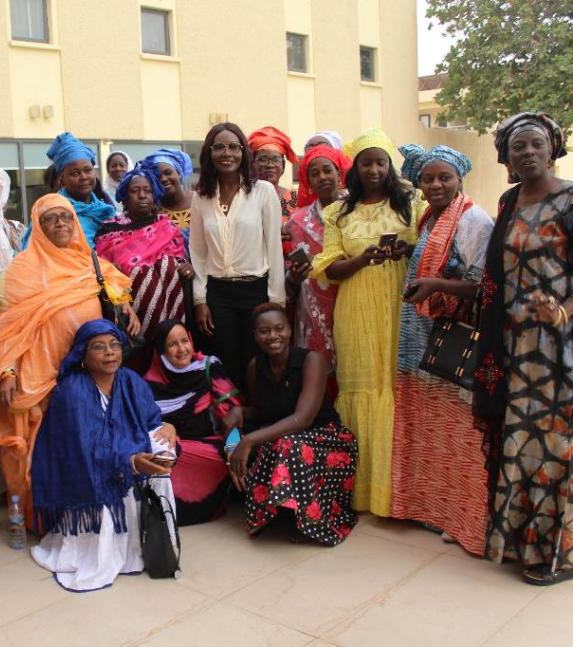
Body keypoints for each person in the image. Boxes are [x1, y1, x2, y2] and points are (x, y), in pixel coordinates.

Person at [473, 112, 573, 585]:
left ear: (552, 148)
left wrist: (567, 307)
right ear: (506, 157)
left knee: (562, 442)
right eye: (518, 147)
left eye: (536, 143)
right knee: (523, 441)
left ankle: (567, 554)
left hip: (565, 345)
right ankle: (522, 543)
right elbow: (496, 276)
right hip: (518, 344)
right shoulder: (508, 201)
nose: (528, 152)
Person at [0, 194, 139, 527]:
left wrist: (126, 306)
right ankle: (34, 517)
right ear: (37, 227)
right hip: (37, 374)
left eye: (66, 217)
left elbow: (117, 288)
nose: (60, 224)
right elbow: (4, 328)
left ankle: (75, 511)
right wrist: (9, 371)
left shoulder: (90, 263)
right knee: (34, 446)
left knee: (79, 441)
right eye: (51, 219)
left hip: (85, 374)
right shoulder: (20, 271)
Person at [312, 128, 425, 517]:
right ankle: (361, 492)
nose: (374, 169)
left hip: (401, 306)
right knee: (361, 387)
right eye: (366, 163)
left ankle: (405, 493)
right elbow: (329, 269)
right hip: (356, 309)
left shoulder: (413, 204)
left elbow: (430, 249)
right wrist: (362, 259)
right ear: (355, 169)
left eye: (380, 162)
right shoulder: (338, 214)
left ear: (390, 165)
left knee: (399, 388)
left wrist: (407, 249)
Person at [389, 144, 493, 556]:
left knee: (460, 431)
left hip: (451, 339)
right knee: (430, 426)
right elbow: (436, 260)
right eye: (428, 178)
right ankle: (435, 508)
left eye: (443, 177)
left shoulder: (473, 220)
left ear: (459, 179)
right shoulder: (430, 217)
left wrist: (434, 286)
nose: (435, 184)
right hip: (420, 335)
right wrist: (410, 252)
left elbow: (481, 284)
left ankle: (464, 517)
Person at [30, 319, 177, 591]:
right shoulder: (71, 391)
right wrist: (130, 461)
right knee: (121, 474)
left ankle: (152, 545)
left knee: (162, 462)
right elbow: (84, 447)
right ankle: (102, 552)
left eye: (114, 345)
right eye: (99, 347)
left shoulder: (131, 380)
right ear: (83, 356)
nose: (110, 352)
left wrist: (167, 427)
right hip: (87, 468)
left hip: (130, 455)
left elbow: (151, 420)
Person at [227, 304, 358, 545]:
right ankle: (276, 512)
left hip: (327, 440)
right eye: (264, 331)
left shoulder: (311, 361)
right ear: (255, 336)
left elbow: (303, 418)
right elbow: (263, 410)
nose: (273, 336)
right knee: (274, 443)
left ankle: (312, 523)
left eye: (279, 328)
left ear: (289, 329)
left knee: (284, 445)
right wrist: (240, 411)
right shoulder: (256, 367)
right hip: (287, 437)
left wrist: (249, 440)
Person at [190, 122, 284, 389]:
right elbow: (197, 252)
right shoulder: (201, 198)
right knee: (225, 362)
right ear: (209, 152)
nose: (226, 153)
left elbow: (274, 249)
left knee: (259, 363)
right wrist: (200, 300)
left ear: (244, 152)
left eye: (234, 146)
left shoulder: (263, 191)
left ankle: (260, 423)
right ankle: (230, 422)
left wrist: (276, 301)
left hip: (256, 290)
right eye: (219, 147)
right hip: (218, 295)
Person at [143, 320, 242, 525]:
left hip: (212, 450)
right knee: (160, 455)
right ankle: (163, 513)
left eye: (184, 341)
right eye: (172, 344)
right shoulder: (148, 384)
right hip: (176, 451)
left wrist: (233, 448)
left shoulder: (208, 366)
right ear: (161, 350)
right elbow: (145, 427)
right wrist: (165, 426)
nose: (182, 349)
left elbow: (234, 416)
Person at [95, 161, 192, 349]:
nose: (142, 195)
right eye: (135, 190)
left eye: (148, 190)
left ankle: (171, 344)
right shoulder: (109, 229)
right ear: (124, 196)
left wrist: (186, 267)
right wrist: (123, 301)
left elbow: (180, 260)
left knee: (166, 264)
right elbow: (106, 273)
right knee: (142, 272)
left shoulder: (167, 226)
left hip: (174, 307)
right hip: (130, 313)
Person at [285, 144, 353, 371]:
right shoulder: (296, 222)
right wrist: (293, 276)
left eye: (327, 170)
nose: (322, 177)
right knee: (318, 369)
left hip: (353, 298)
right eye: (314, 174)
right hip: (314, 307)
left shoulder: (358, 211)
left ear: (339, 173)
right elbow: (289, 276)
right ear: (308, 182)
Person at [46, 132, 116, 246]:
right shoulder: (50, 213)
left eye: (88, 170)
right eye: (75, 173)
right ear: (62, 179)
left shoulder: (106, 211)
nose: (83, 177)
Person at [248, 126, 300, 224]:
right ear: (252, 164)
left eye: (275, 160)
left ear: (283, 166)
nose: (270, 165)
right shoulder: (243, 195)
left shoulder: (294, 198)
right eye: (263, 159)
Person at [144, 148, 195, 232]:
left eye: (168, 173)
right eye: (157, 176)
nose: (163, 179)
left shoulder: (201, 200)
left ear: (179, 173)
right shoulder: (152, 210)